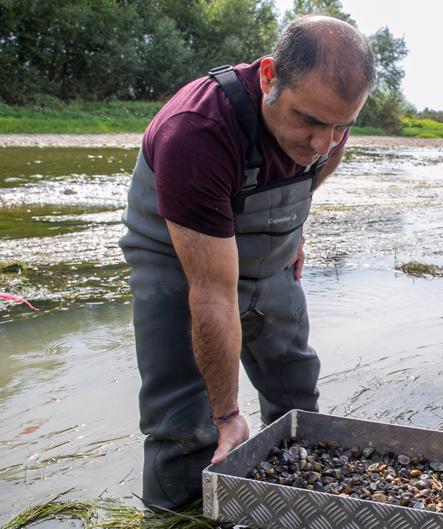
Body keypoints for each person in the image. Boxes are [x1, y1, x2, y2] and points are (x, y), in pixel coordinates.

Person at [119, 15, 375, 510]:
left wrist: (292, 225)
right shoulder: (195, 131)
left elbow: (321, 163)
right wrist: (226, 414)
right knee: (186, 424)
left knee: (296, 387)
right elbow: (213, 292)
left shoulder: (328, 125)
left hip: (265, 251)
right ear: (268, 77)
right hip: (180, 258)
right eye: (310, 121)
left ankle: (296, 500)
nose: (324, 142)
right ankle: (179, 514)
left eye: (342, 124)